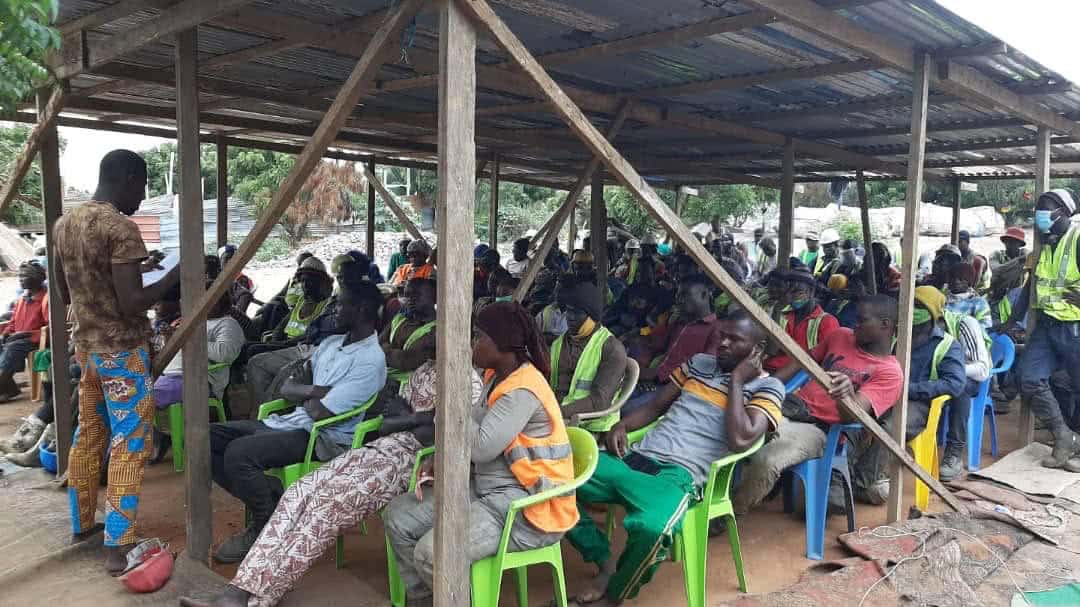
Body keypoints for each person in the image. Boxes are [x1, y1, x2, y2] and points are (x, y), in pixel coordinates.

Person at [178, 361, 484, 607]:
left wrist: (413, 419)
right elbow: (391, 420)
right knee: (300, 491)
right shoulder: (424, 371)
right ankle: (242, 590)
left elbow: (445, 434)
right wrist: (418, 418)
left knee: (325, 507)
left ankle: (250, 595)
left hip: (412, 462)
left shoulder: (466, 382)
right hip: (380, 449)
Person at [566, 310, 782, 606]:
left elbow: (741, 439)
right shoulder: (698, 364)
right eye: (722, 335)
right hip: (635, 456)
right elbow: (655, 407)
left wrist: (735, 381)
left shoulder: (768, 387)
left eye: (735, 340)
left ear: (757, 350)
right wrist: (623, 425)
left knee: (654, 529)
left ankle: (615, 594)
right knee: (552, 478)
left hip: (679, 476)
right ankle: (605, 561)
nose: (723, 344)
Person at [384, 302, 577, 602]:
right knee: (398, 517)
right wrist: (441, 455)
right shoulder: (496, 377)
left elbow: (479, 447)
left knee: (432, 553)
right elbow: (471, 424)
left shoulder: (522, 390)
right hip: (488, 490)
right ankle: (429, 597)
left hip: (526, 506)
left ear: (502, 344)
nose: (473, 342)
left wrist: (451, 405)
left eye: (479, 336)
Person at [52, 149, 181, 573]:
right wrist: (174, 277)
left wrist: (133, 271)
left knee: (88, 435)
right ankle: (118, 544)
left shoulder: (64, 224)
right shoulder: (121, 227)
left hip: (87, 350)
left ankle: (83, 525)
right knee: (130, 441)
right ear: (127, 177)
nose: (141, 198)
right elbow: (132, 302)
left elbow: (69, 293)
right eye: (142, 186)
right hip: (123, 355)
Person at [209, 281, 386, 563]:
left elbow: (320, 414)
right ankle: (270, 498)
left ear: (362, 309)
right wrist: (315, 392)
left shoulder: (369, 361)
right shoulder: (331, 343)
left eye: (340, 304)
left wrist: (305, 392)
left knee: (238, 453)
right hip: (293, 420)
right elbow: (287, 388)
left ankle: (264, 524)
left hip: (323, 438)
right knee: (205, 438)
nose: (333, 309)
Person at [733, 295, 902, 513]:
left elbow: (851, 417)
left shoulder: (889, 372)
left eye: (862, 321)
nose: (855, 325)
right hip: (790, 405)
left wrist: (846, 395)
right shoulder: (841, 336)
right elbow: (803, 361)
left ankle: (733, 510)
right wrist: (769, 385)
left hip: (821, 430)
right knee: (732, 428)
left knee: (765, 459)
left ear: (885, 325)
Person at [850, 286, 966, 503]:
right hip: (884, 393)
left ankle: (861, 480)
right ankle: (843, 471)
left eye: (919, 306)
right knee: (854, 415)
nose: (911, 310)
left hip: (918, 404)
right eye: (908, 305)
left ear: (932, 313)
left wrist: (910, 390)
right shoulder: (895, 337)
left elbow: (955, 384)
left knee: (891, 426)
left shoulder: (947, 345)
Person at [1001, 189, 1080, 469]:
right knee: (1029, 378)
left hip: (1075, 327)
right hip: (1047, 326)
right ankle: (1063, 434)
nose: (1040, 215)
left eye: (1045, 209)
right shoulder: (1044, 244)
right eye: (1038, 210)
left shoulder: (1078, 239)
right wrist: (1010, 321)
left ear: (1063, 212)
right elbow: (1030, 287)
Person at [245, 259, 367, 407]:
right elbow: (311, 328)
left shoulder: (361, 304)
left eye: (347, 276)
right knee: (256, 362)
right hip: (306, 345)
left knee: (287, 373)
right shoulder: (334, 301)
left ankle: (265, 414)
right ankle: (262, 409)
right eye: (340, 277)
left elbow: (349, 336)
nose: (342, 280)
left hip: (325, 352)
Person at [152, 284, 245, 461]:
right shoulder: (189, 322)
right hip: (170, 376)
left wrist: (187, 338)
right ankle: (163, 435)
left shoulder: (227, 324)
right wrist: (170, 338)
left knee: (140, 397)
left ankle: (160, 438)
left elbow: (225, 354)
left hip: (197, 379)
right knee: (133, 390)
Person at [549, 276, 627, 432]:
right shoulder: (559, 343)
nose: (569, 317)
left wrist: (554, 413)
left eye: (577, 313)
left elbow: (599, 401)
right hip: (557, 418)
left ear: (593, 315)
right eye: (569, 311)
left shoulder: (611, 348)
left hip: (591, 426)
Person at [939, 304, 992, 481]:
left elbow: (982, 370)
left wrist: (952, 369)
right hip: (938, 375)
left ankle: (954, 453)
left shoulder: (964, 324)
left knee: (958, 387)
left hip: (969, 375)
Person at [764, 265, 839, 373]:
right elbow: (771, 350)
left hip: (799, 377)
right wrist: (777, 310)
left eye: (797, 292)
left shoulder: (827, 321)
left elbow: (826, 362)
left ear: (811, 291)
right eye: (787, 292)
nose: (790, 297)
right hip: (769, 369)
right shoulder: (782, 314)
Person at [0, 261, 49, 401]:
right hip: (18, 338)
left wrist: (27, 334)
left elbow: (50, 329)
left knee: (13, 349)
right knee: (5, 343)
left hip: (35, 341)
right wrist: (5, 334)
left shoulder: (45, 299)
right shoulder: (22, 299)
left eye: (24, 276)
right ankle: (9, 388)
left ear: (36, 278)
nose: (20, 279)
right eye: (19, 276)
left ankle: (4, 386)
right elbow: (13, 323)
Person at [381, 278, 437, 390]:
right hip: (384, 378)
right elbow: (377, 345)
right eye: (407, 295)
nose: (410, 299)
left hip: (406, 388)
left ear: (434, 297)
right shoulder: (400, 318)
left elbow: (405, 361)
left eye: (416, 295)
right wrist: (394, 354)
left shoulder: (436, 330)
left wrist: (385, 349)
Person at [945, 262, 992, 329]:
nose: (956, 281)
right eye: (953, 278)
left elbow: (985, 326)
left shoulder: (978, 302)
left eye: (961, 279)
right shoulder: (942, 298)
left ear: (969, 282)